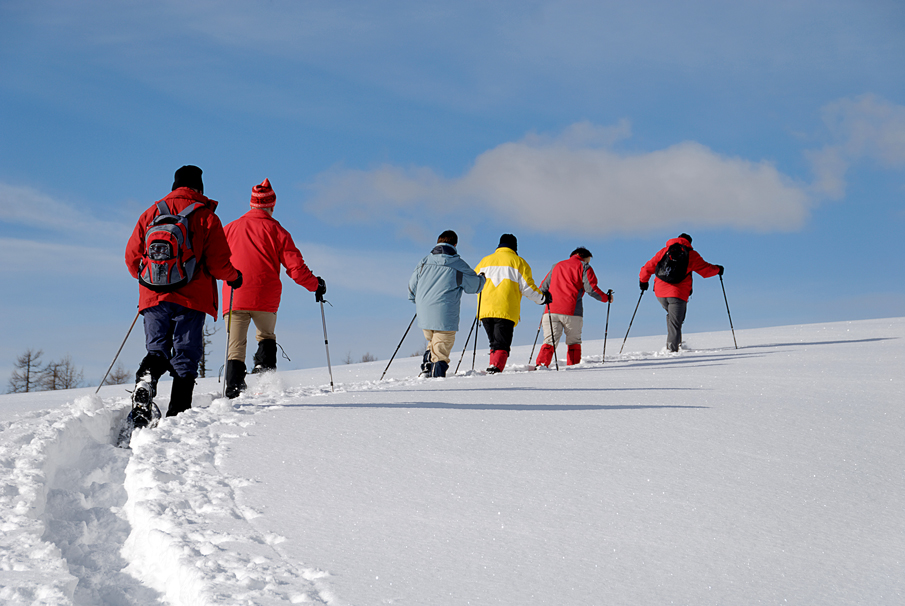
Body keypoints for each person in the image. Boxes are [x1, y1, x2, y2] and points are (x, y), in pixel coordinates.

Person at [125, 165, 242, 419]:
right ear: (199, 188)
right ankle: (177, 414)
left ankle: (146, 382)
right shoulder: (206, 217)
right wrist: (234, 277)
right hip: (192, 298)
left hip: (153, 297)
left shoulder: (151, 213)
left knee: (157, 350)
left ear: (174, 186)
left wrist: (151, 282)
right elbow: (218, 263)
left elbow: (131, 258)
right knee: (186, 355)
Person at [221, 178, 325, 398]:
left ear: (251, 204)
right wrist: (315, 284)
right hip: (265, 296)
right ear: (271, 205)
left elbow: (212, 260)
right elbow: (296, 269)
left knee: (235, 345)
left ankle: (233, 388)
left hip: (234, 295)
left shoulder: (229, 228)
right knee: (266, 335)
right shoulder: (278, 231)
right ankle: (266, 375)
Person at [408, 230, 485, 378]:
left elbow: (412, 287)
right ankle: (436, 379)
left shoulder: (423, 262)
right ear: (455, 244)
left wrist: (416, 301)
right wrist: (482, 278)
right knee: (441, 351)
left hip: (424, 316)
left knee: (433, 343)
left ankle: (426, 368)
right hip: (445, 316)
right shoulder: (458, 265)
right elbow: (474, 286)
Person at [475, 234, 549, 374]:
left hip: (484, 309)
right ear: (515, 247)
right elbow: (527, 288)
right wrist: (542, 299)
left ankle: (493, 366)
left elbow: (473, 283)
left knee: (494, 342)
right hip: (505, 309)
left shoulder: (485, 261)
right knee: (502, 343)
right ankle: (495, 369)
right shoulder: (518, 262)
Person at [639, 233, 723, 352]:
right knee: (675, 322)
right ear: (689, 242)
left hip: (660, 293)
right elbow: (706, 270)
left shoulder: (664, 251)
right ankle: (672, 351)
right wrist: (718, 269)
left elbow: (647, 267)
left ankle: (676, 345)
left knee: (674, 318)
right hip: (677, 294)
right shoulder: (691, 254)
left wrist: (643, 282)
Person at [535, 247, 613, 367]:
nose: (587, 263)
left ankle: (541, 365)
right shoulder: (584, 267)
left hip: (551, 311)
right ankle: (573, 368)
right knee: (574, 342)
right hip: (572, 311)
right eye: (587, 260)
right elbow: (591, 289)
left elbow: (542, 288)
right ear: (583, 258)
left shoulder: (556, 266)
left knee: (549, 341)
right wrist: (606, 298)